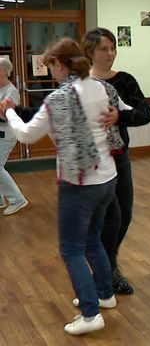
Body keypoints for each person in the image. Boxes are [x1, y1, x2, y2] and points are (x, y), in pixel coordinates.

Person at [2, 38, 128, 335]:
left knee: (71, 249)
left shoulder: (59, 99)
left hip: (79, 183)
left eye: (51, 66)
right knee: (92, 240)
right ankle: (104, 294)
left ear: (60, 63)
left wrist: (8, 111)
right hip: (106, 177)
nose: (50, 73)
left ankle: (90, 313)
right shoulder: (98, 86)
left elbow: (27, 135)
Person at [81, 27, 150, 295]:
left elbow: (145, 113)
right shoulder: (79, 83)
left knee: (124, 216)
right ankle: (107, 269)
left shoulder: (124, 81)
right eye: (103, 49)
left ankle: (108, 265)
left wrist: (120, 117)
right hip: (91, 163)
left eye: (113, 48)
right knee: (107, 219)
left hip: (119, 158)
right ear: (90, 51)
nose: (110, 54)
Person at [0, 57, 28, 216]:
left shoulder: (12, 92)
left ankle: (17, 199)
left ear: (4, 71)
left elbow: (7, 116)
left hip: (6, 134)